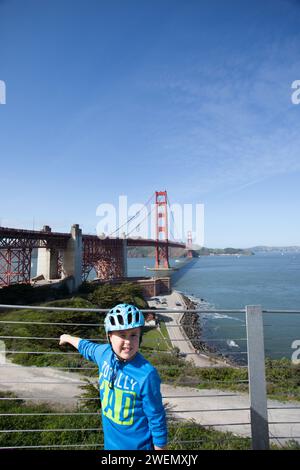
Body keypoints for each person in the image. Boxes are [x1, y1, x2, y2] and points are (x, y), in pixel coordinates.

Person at [59, 303, 167, 450]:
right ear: (110, 336)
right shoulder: (104, 354)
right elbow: (86, 347)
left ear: (140, 337)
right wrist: (67, 337)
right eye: (122, 335)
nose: (128, 342)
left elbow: (156, 417)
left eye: (133, 335)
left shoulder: (147, 374)